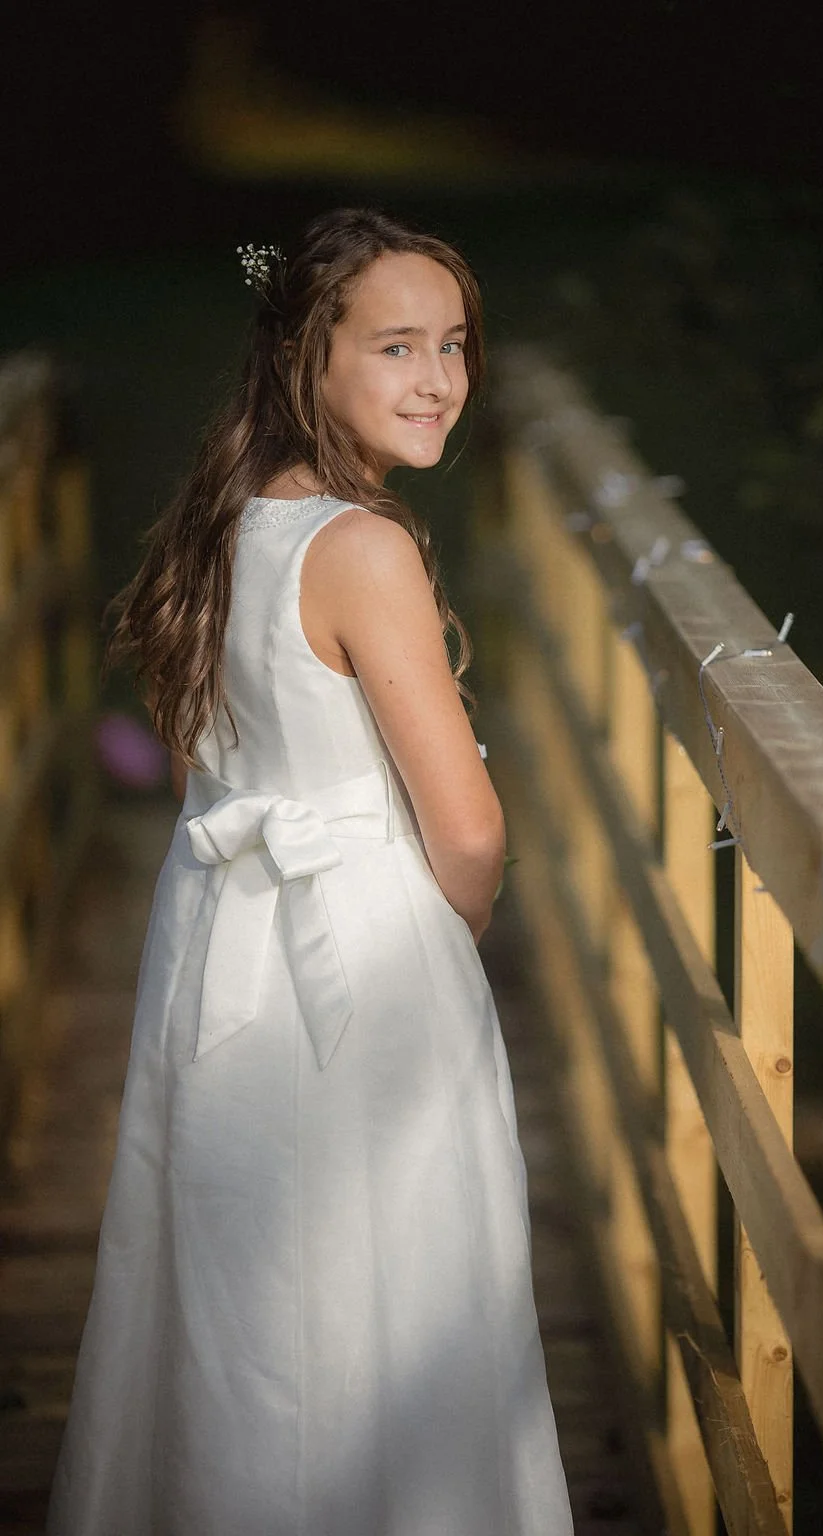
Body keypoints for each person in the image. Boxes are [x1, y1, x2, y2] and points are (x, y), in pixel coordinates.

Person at [46, 207, 574, 1535]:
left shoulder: (225, 519)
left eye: (454, 344)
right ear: (305, 358)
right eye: (395, 346)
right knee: (402, 1277)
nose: (438, 379)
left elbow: (196, 769)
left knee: (239, 1281)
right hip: (364, 948)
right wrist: (447, 930)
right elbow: (465, 827)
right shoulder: (368, 548)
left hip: (220, 933)